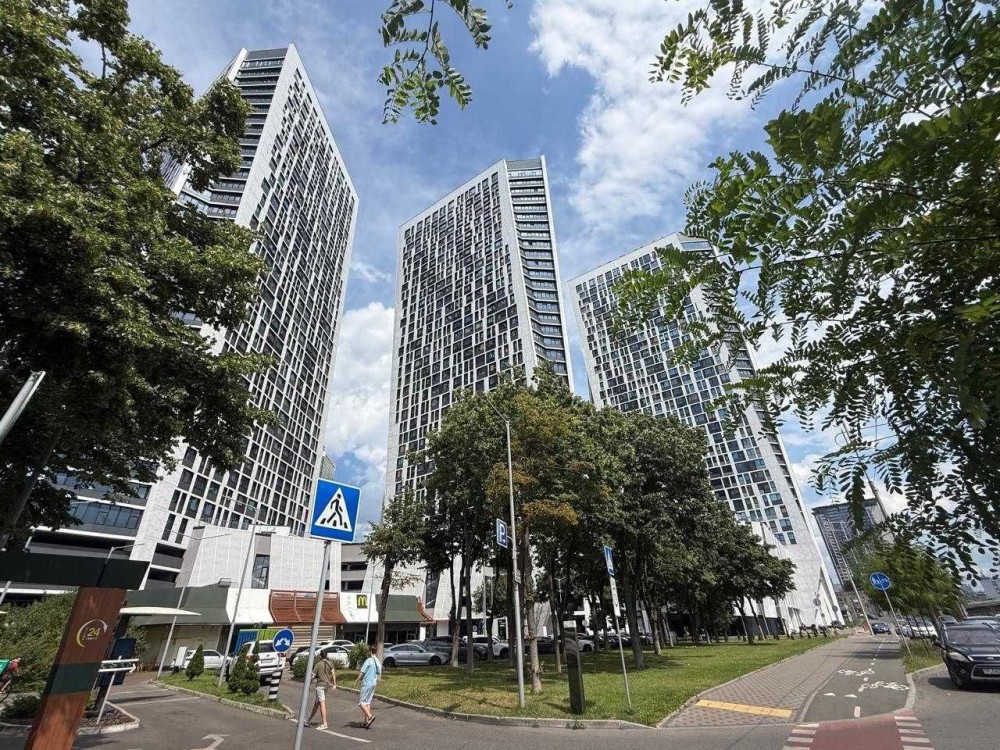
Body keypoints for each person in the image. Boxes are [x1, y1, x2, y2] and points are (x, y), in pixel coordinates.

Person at [308, 651, 337, 731]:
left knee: (322, 703)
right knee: (317, 703)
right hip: (327, 685)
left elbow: (313, 676)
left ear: (320, 656)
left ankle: (324, 723)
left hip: (320, 685)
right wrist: (334, 684)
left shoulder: (318, 664)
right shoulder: (330, 663)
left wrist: (308, 684)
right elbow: (333, 674)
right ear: (326, 656)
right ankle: (308, 720)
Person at [354, 645, 381, 729]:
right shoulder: (377, 661)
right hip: (373, 683)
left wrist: (356, 680)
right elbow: (379, 672)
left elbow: (362, 672)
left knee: (361, 702)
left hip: (367, 683)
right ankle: (366, 722)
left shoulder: (368, 661)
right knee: (367, 702)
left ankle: (370, 716)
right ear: (376, 651)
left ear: (370, 652)